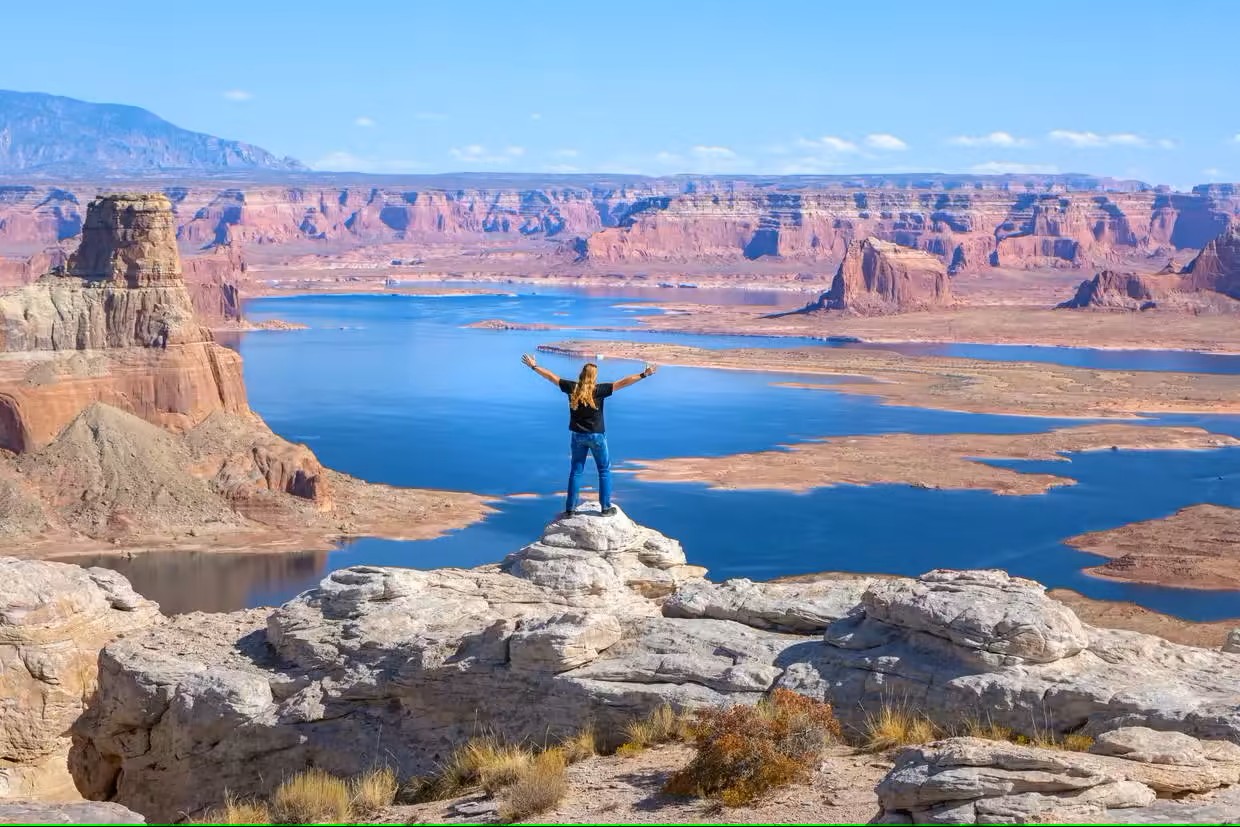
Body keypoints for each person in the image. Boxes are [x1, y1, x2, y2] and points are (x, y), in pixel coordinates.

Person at [522, 353, 657, 517]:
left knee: (576, 471)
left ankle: (570, 510)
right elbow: (623, 382)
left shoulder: (572, 388)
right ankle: (605, 508)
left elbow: (551, 377)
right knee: (604, 470)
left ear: (581, 374)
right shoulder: (599, 390)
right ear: (594, 377)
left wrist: (534, 366)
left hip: (578, 436)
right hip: (597, 436)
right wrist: (644, 374)